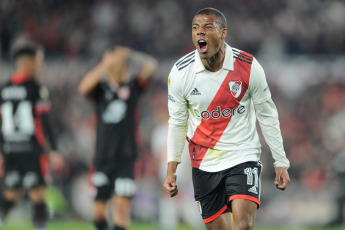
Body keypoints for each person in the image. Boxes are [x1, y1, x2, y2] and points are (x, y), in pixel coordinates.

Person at [163, 7, 290, 230]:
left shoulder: (248, 66)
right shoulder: (181, 72)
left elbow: (267, 115)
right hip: (203, 162)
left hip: (243, 155)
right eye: (195, 28)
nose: (200, 33)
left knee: (244, 226)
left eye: (207, 27)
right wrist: (171, 169)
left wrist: (281, 161)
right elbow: (176, 122)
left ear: (223, 33)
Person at [78, 46, 157, 230]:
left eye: (122, 66)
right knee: (98, 214)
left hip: (126, 158)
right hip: (102, 157)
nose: (120, 70)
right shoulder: (100, 89)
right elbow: (83, 87)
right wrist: (105, 63)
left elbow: (151, 66)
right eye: (116, 67)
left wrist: (130, 54)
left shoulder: (134, 87)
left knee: (121, 208)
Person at [0, 41, 63, 230]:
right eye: (39, 61)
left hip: (11, 150)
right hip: (32, 150)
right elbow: (44, 121)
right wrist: (53, 149)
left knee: (12, 194)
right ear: (28, 63)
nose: (41, 66)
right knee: (38, 194)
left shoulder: (4, 88)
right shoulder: (36, 88)